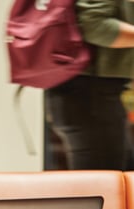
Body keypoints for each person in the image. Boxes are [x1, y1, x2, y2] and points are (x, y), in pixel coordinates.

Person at [45, 0, 134, 170]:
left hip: (93, 93)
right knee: (101, 185)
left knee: (116, 178)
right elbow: (95, 26)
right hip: (88, 93)